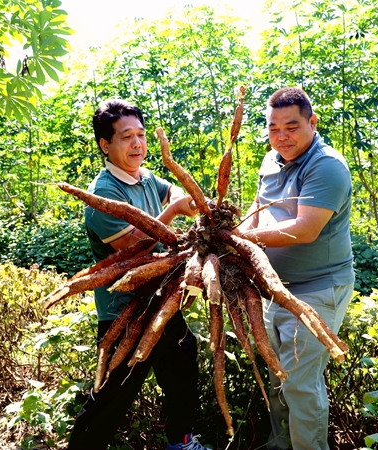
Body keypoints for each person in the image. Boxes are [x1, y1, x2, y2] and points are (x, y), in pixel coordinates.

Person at [68, 99, 208, 450]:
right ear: (105, 145)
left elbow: (169, 189)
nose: (137, 144)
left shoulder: (143, 177)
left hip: (161, 302)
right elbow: (138, 246)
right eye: (126, 137)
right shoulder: (103, 195)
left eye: (141, 135)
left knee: (182, 371)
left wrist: (181, 196)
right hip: (125, 314)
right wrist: (175, 210)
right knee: (111, 396)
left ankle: (181, 441)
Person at [237, 87, 355, 450]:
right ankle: (280, 443)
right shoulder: (271, 160)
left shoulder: (327, 165)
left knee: (301, 383)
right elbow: (258, 207)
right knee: (278, 374)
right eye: (273, 128)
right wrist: (232, 236)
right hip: (274, 289)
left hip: (317, 289)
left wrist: (244, 239)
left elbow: (305, 229)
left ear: (312, 122)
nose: (281, 136)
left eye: (291, 126)